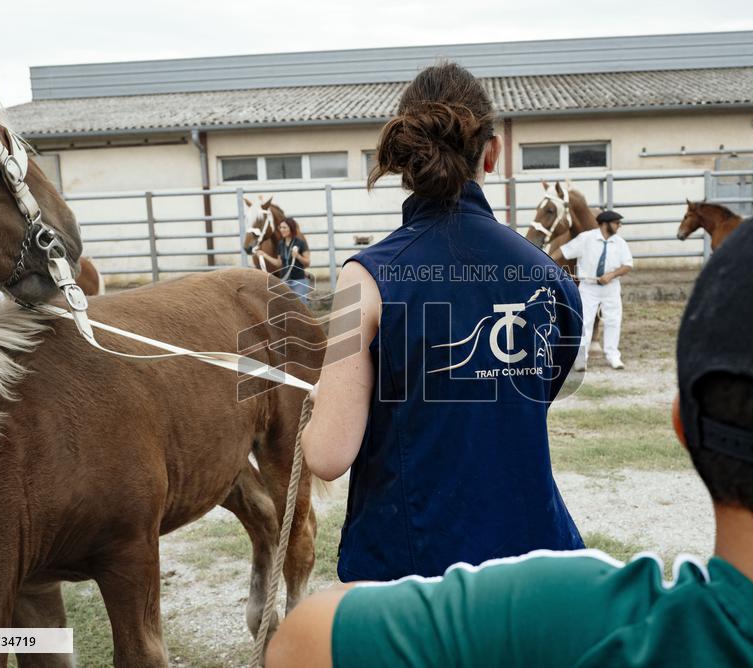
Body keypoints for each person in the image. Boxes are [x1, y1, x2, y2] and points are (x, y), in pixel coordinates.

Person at [268, 193, 753, 667]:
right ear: (489, 157)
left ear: (684, 426)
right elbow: (550, 377)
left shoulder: (572, 610)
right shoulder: (544, 271)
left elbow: (299, 636)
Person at [298, 62, 585, 584]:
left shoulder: (360, 280)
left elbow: (327, 454)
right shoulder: (553, 279)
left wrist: (324, 397)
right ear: (492, 153)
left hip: (415, 571)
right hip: (538, 561)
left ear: (405, 156)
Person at [551, 209, 633, 371]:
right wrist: (546, 261)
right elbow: (564, 250)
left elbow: (628, 265)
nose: (619, 226)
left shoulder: (620, 243)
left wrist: (612, 274)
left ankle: (613, 356)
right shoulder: (586, 239)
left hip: (611, 288)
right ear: (605, 224)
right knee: (585, 322)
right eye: (617, 223)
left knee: (613, 321)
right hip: (588, 288)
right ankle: (581, 358)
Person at [255, 218, 312, 305]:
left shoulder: (300, 243)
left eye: (284, 227)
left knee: (300, 306)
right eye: (281, 227)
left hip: (298, 280)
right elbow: (279, 264)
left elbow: (307, 263)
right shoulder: (281, 244)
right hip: (285, 280)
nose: (282, 230)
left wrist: (298, 256)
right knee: (285, 306)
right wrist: (264, 255)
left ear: (291, 228)